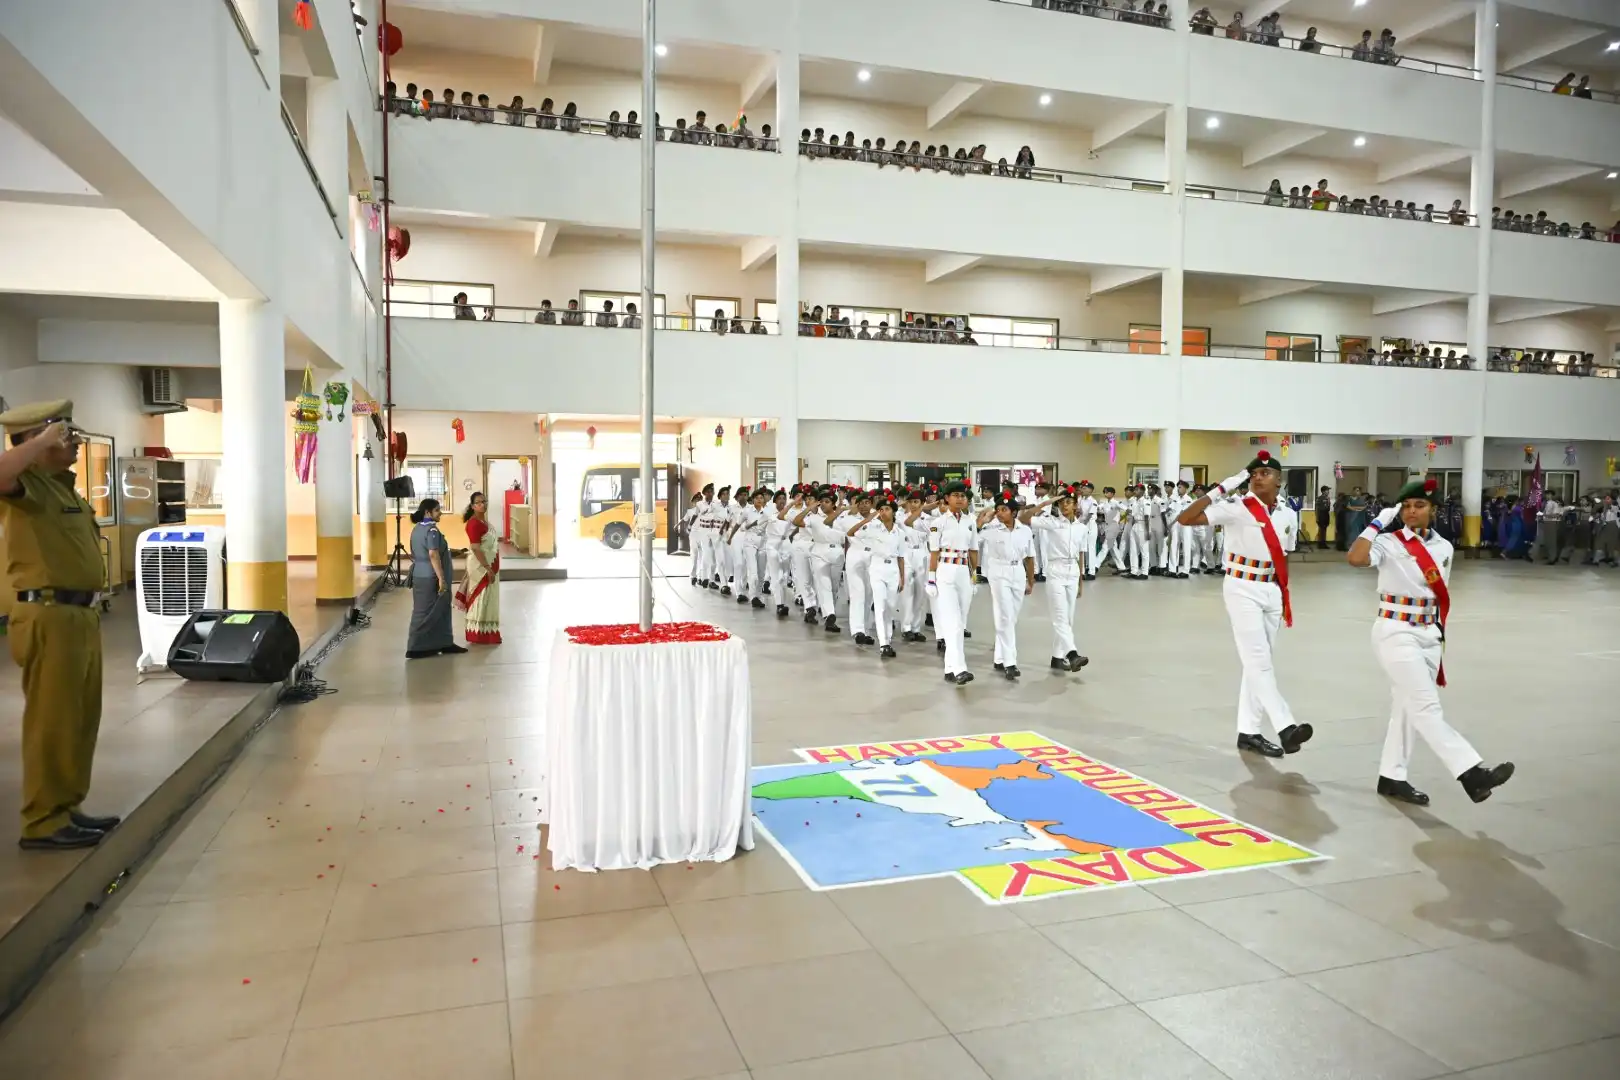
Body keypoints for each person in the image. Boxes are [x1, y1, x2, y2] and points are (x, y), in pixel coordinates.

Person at [1348, 477, 1514, 804]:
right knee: (1426, 706)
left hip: (1428, 634)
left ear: (1433, 510)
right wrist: (1379, 520)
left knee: (1407, 708)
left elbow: (1436, 595)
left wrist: (1435, 634)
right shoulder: (1389, 542)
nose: (1411, 512)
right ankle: (1471, 772)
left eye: (1419, 505)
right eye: (1406, 506)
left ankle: (1392, 776)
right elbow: (1355, 558)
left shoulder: (1444, 547)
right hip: (1395, 631)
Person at [0, 402, 121, 850]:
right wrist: (37, 444)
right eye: (64, 436)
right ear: (37, 440)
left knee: (79, 718)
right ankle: (43, 821)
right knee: (51, 720)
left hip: (79, 615)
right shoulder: (23, 485)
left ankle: (66, 806)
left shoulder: (63, 489)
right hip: (48, 615)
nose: (73, 443)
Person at [1177, 450, 1311, 758]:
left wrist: (1282, 594)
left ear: (1279, 480)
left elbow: (1285, 554)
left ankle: (1248, 732)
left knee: (1258, 664)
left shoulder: (1288, 514)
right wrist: (1222, 488)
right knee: (1258, 660)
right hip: (1241, 587)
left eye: (1266, 473)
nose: (1258, 476)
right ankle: (1286, 726)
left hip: (1271, 590)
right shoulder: (1237, 507)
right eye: (1255, 473)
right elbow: (1185, 518)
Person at [1023, 486, 1090, 671]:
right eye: (1061, 503)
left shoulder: (1081, 528)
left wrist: (1080, 582)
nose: (1064, 506)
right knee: (1060, 617)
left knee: (1068, 619)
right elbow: (1023, 519)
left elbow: (1081, 554)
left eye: (1068, 502)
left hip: (1073, 572)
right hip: (1056, 571)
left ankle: (1057, 658)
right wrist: (1046, 503)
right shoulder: (1051, 523)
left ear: (1075, 504)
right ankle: (1073, 654)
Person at [977, 493, 1035, 679]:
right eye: (998, 510)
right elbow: (972, 536)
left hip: (1017, 572)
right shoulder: (991, 529)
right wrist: (982, 521)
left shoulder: (1024, 530)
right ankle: (1010, 662)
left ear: (1014, 512)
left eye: (1004, 510)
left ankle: (999, 658)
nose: (1000, 513)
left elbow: (1030, 556)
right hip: (998, 572)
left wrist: (1030, 580)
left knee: (1012, 617)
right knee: (1004, 615)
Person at [928, 481, 979, 685]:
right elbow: (934, 552)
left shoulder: (970, 521)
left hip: (964, 570)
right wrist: (931, 579)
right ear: (946, 498)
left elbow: (974, 550)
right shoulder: (939, 523)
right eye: (956, 495)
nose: (960, 499)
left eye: (963, 496)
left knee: (961, 621)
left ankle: (949, 668)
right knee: (953, 622)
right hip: (945, 570)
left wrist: (975, 577)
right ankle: (960, 669)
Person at [848, 494, 908, 658]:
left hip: (893, 570)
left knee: (890, 606)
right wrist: (866, 521)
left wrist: (903, 577)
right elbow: (851, 533)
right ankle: (884, 644)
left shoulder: (900, 533)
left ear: (893, 512)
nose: (883, 512)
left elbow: (901, 557)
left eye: (887, 509)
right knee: (880, 607)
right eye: (880, 509)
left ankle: (887, 639)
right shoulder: (872, 529)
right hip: (877, 568)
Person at [407, 498, 465, 659]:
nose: (440, 513)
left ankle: (444, 642)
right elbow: (432, 554)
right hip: (431, 577)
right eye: (437, 510)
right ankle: (416, 647)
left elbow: (422, 552)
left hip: (420, 574)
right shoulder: (432, 530)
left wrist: (451, 552)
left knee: (440, 609)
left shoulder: (417, 529)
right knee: (426, 612)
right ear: (428, 512)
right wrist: (441, 579)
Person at [455, 493, 501, 645]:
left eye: (484, 501)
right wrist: (487, 568)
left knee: (489, 598)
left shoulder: (484, 522)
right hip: (480, 566)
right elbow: (475, 548)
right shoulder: (474, 523)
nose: (482, 504)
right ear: (473, 506)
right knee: (480, 597)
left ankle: (487, 632)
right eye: (478, 502)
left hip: (490, 564)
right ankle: (477, 634)